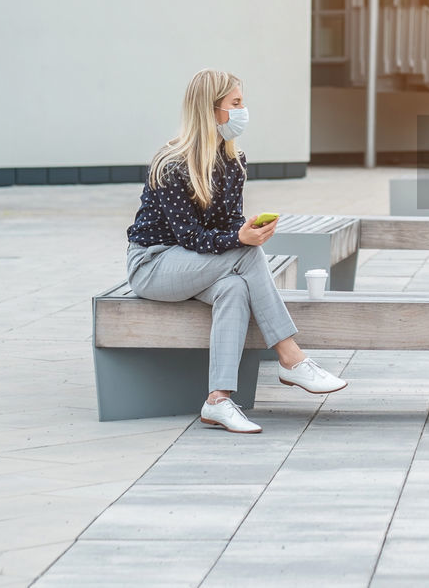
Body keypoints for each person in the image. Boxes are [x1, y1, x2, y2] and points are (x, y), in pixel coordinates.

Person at [125, 69, 347, 434]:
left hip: (195, 265)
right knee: (246, 255)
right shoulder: (171, 164)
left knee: (235, 288)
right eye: (236, 104)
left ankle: (218, 401)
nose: (243, 111)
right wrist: (240, 242)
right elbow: (191, 236)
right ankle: (291, 358)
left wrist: (248, 231)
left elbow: (227, 225)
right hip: (154, 264)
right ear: (210, 110)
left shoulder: (234, 161)